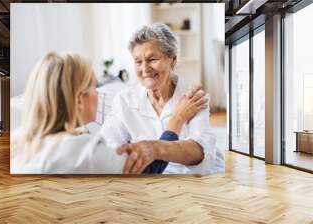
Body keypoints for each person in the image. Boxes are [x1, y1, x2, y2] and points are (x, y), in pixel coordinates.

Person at [11, 52, 207, 174]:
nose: (99, 94)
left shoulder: (19, 141)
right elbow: (149, 170)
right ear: (79, 99)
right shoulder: (84, 151)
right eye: (95, 87)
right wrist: (177, 119)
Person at [100, 23, 223, 175]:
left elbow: (201, 154)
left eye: (152, 59)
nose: (144, 69)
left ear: (172, 60)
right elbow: (107, 149)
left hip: (188, 179)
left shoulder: (193, 98)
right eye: (138, 61)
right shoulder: (124, 100)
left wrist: (155, 148)